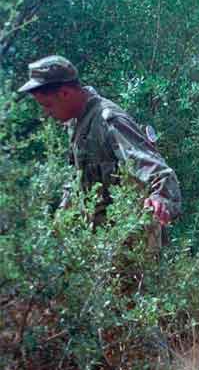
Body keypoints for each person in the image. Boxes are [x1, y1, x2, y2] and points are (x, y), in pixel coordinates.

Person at [18, 55, 181, 253]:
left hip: (132, 246)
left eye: (48, 105)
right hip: (104, 246)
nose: (46, 113)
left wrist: (161, 199)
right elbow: (77, 181)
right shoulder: (77, 124)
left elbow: (159, 171)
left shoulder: (108, 121)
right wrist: (59, 224)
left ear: (65, 93)